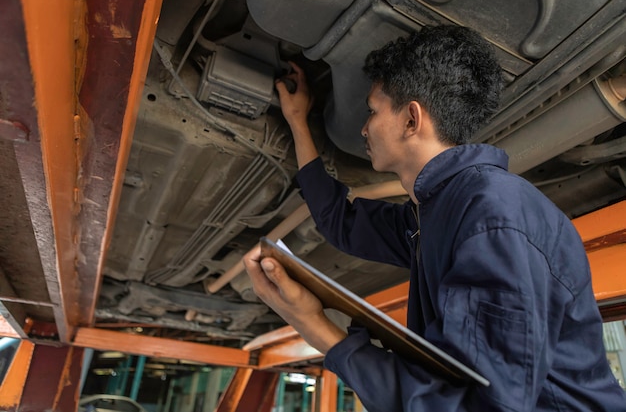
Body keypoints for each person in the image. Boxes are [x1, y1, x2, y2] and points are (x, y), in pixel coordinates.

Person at [243, 25, 626, 411]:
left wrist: (314, 325)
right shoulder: (441, 212)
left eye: (373, 111)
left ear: (412, 120)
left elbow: (479, 407)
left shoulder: (492, 216)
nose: (363, 127)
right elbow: (342, 223)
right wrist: (297, 121)